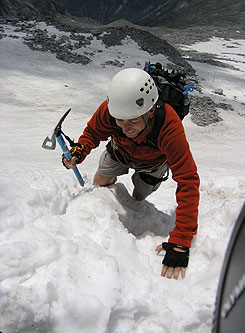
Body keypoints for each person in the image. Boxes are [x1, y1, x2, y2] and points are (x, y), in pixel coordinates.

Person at [63, 68, 200, 280]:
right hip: (120, 153)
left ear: (150, 111)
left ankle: (139, 203)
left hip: (152, 164)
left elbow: (188, 181)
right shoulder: (111, 110)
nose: (125, 127)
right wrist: (79, 152)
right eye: (120, 121)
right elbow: (92, 133)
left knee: (139, 198)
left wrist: (181, 241)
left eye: (133, 121)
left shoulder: (169, 126)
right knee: (100, 184)